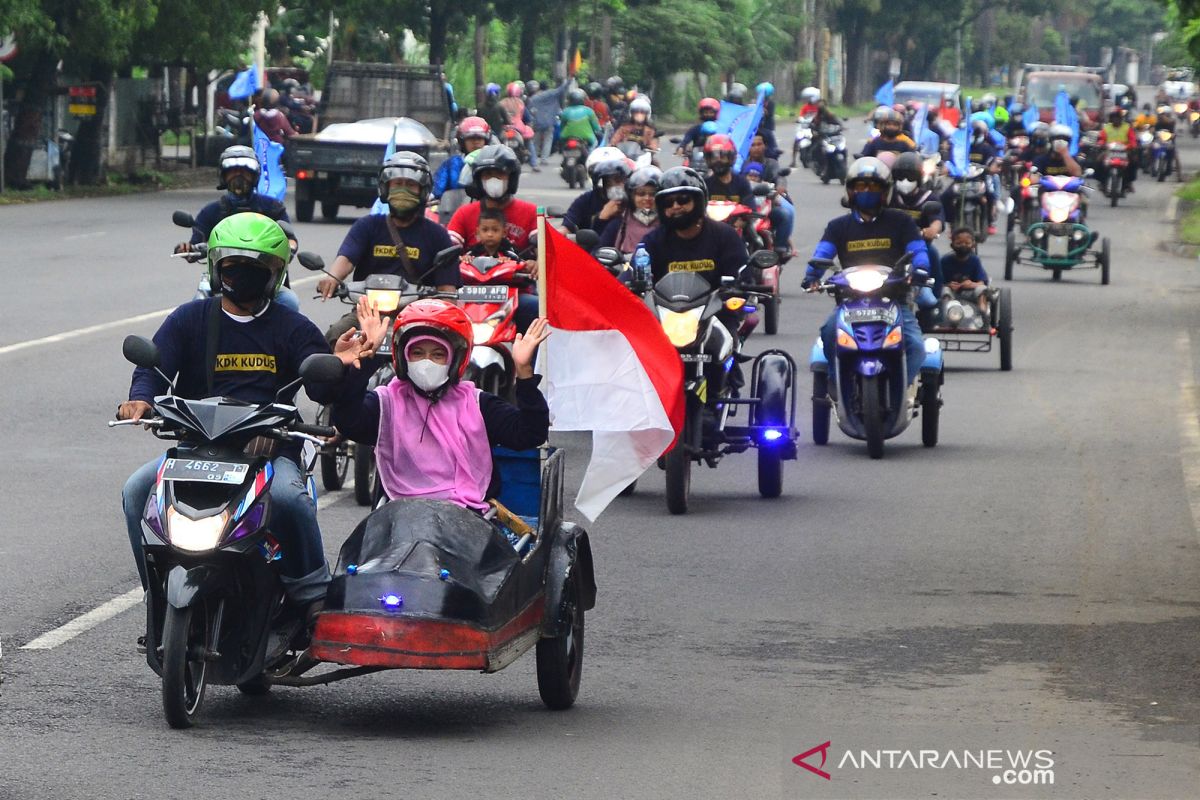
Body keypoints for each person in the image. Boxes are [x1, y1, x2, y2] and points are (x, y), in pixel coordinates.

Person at [119, 214, 338, 624]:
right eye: (232, 267)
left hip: (269, 451)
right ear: (216, 268)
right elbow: (152, 365)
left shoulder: (293, 326)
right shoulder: (190, 318)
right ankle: (157, 590)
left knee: (292, 501)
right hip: (197, 448)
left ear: (276, 273)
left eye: (255, 269)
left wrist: (336, 375)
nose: (242, 276)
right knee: (136, 491)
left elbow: (321, 383)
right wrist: (140, 400)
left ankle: (312, 594)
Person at [328, 298, 551, 512]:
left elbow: (531, 433)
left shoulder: (477, 404)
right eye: (417, 353)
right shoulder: (386, 403)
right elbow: (349, 420)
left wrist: (524, 374)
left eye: (438, 354)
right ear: (403, 358)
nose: (426, 362)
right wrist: (365, 358)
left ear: (454, 360)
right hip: (399, 519)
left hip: (464, 522)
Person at [802, 157, 929, 384]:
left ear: (885, 191)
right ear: (851, 191)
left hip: (893, 300)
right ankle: (837, 382)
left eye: (874, 187)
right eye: (861, 186)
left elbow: (918, 250)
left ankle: (899, 388)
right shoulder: (838, 226)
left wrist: (920, 269)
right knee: (830, 332)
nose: (867, 191)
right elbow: (822, 254)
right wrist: (812, 277)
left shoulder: (901, 222)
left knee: (916, 347)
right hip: (851, 302)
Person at [318, 152, 460, 345]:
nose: (403, 190)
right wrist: (332, 278)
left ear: (422, 190)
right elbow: (347, 258)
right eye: (397, 184)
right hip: (367, 314)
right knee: (334, 337)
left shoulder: (437, 235)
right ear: (386, 188)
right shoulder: (367, 226)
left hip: (419, 316)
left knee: (446, 345)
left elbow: (447, 291)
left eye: (410, 185)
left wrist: (445, 305)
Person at [175, 145, 301, 312]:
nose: (239, 176)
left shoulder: (272, 208)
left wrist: (289, 249)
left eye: (244, 172)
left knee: (289, 302)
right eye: (232, 171)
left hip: (265, 277)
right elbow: (196, 241)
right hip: (222, 279)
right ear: (223, 175)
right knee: (192, 311)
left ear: (254, 175)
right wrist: (187, 249)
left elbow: (290, 240)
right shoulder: (212, 211)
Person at [640, 167, 748, 286]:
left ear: (699, 202)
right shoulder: (653, 241)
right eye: (668, 203)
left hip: (717, 303)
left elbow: (743, 278)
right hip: (661, 304)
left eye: (683, 200)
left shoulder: (726, 236)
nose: (675, 206)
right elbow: (633, 278)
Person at [447, 144, 540, 252]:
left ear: (511, 178)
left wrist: (535, 263)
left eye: (499, 174)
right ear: (479, 180)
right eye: (488, 174)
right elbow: (449, 247)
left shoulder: (531, 212)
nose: (493, 179)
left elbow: (546, 249)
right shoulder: (464, 213)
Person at [889, 151, 945, 309]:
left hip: (920, 246)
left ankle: (936, 299)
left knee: (933, 255)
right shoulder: (888, 196)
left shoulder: (929, 198)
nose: (905, 181)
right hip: (889, 246)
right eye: (900, 177)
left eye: (910, 177)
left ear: (919, 178)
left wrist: (932, 229)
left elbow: (937, 220)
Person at [432, 116, 492, 225]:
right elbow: (436, 190)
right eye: (471, 139)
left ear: (486, 140)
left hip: (488, 220)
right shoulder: (451, 164)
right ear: (462, 141)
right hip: (453, 218)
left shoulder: (493, 164)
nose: (475, 142)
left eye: (479, 138)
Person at [744, 132, 794, 256]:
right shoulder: (741, 164)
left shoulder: (772, 163)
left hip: (767, 202)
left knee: (786, 214)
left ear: (765, 146)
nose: (756, 147)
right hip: (745, 204)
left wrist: (780, 188)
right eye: (752, 145)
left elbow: (779, 177)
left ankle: (780, 248)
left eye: (759, 144)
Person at [563, 146, 632, 234]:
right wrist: (602, 217)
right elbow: (566, 227)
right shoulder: (586, 200)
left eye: (619, 178)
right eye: (608, 180)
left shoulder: (635, 200)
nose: (617, 185)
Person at [599, 165, 662, 254]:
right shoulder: (619, 224)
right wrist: (601, 219)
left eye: (653, 194)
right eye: (641, 194)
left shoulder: (669, 224)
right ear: (631, 196)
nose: (647, 198)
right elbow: (599, 253)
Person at [939, 227, 990, 318]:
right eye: (959, 243)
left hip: (970, 293)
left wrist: (972, 284)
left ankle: (983, 313)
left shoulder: (975, 260)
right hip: (953, 293)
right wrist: (949, 285)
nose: (963, 246)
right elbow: (939, 282)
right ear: (952, 245)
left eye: (967, 243)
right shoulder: (945, 261)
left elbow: (982, 282)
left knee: (981, 289)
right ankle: (945, 313)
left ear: (973, 245)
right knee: (944, 291)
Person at [527, 77, 574, 169]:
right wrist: (570, 79)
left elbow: (529, 110)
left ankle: (534, 158)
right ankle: (544, 159)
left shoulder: (534, 98)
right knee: (548, 140)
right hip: (549, 122)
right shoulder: (553, 93)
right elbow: (562, 88)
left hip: (538, 123)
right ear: (548, 87)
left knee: (535, 141)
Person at [1098, 107, 1138, 194]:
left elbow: (1133, 140)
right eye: (1114, 117)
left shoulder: (1127, 127)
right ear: (1111, 118)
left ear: (1121, 118)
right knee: (1098, 161)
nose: (1116, 119)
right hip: (1109, 151)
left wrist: (1131, 146)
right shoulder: (1106, 128)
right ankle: (1101, 182)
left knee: (1133, 162)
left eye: (1117, 117)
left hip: (1124, 151)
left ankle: (1128, 183)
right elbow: (1101, 138)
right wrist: (1101, 143)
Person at [703, 134, 754, 203]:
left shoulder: (742, 183)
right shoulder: (705, 185)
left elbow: (751, 209)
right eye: (714, 158)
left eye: (723, 157)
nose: (718, 161)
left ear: (731, 158)